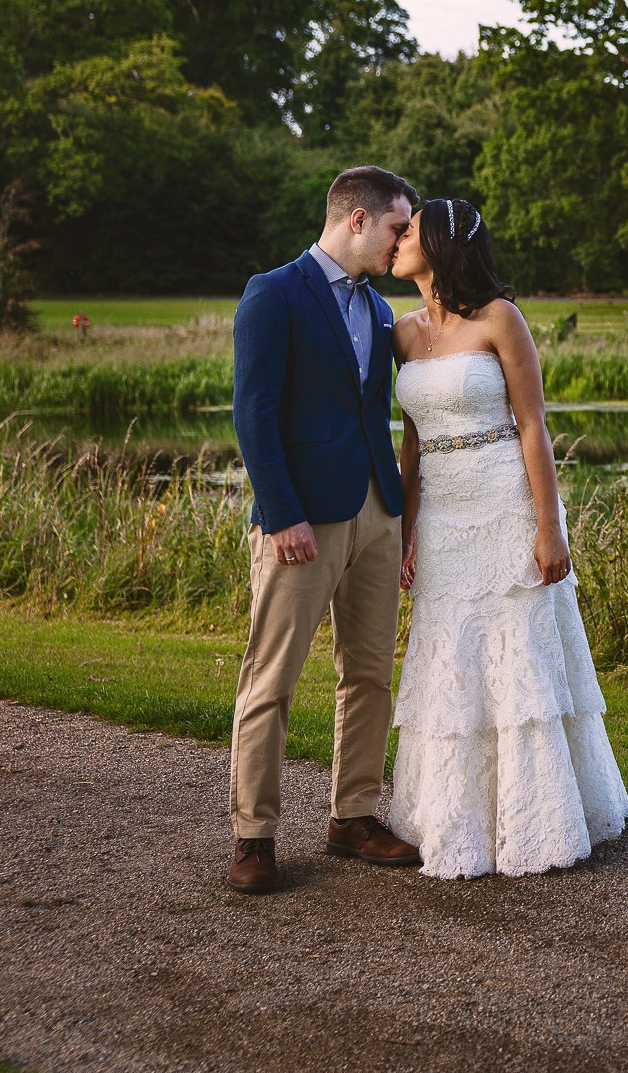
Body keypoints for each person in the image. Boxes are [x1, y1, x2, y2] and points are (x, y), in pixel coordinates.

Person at [386, 197, 628, 878]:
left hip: (505, 505)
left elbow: (532, 425)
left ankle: (539, 819)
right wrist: (405, 532)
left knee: (518, 659)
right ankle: (457, 821)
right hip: (441, 517)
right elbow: (411, 447)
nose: (399, 240)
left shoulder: (500, 319)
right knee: (452, 661)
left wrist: (549, 529)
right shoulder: (401, 334)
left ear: (439, 245)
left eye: (409, 230)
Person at [226, 166, 423, 894]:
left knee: (369, 673)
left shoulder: (377, 308)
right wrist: (281, 514)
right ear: (360, 219)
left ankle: (353, 817)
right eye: (400, 226)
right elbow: (254, 413)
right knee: (271, 679)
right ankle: (254, 835)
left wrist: (398, 515)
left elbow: (381, 411)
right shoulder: (273, 293)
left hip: (376, 512)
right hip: (301, 520)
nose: (405, 241)